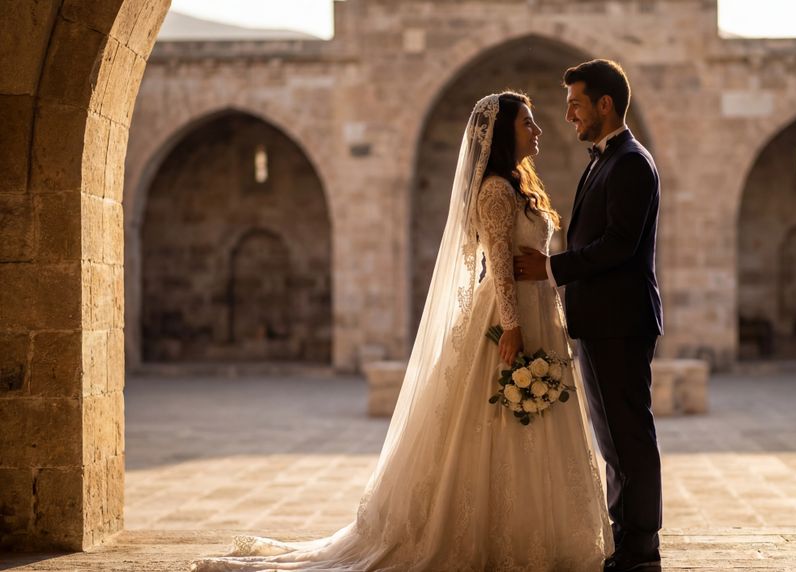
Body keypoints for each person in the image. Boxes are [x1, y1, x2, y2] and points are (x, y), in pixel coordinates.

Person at [190, 91, 612, 571]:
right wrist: (512, 327)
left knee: (529, 419)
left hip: (538, 311)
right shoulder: (495, 189)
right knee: (494, 419)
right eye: (527, 124)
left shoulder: (518, 185)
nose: (537, 130)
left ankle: (534, 530)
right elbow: (497, 261)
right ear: (502, 134)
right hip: (506, 315)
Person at [514, 59, 664, 572]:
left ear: (605, 104)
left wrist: (551, 269)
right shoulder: (603, 160)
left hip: (620, 322)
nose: (568, 114)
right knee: (614, 440)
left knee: (629, 438)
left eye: (576, 103)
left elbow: (619, 245)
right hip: (600, 321)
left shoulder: (631, 162)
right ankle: (628, 541)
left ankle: (640, 548)